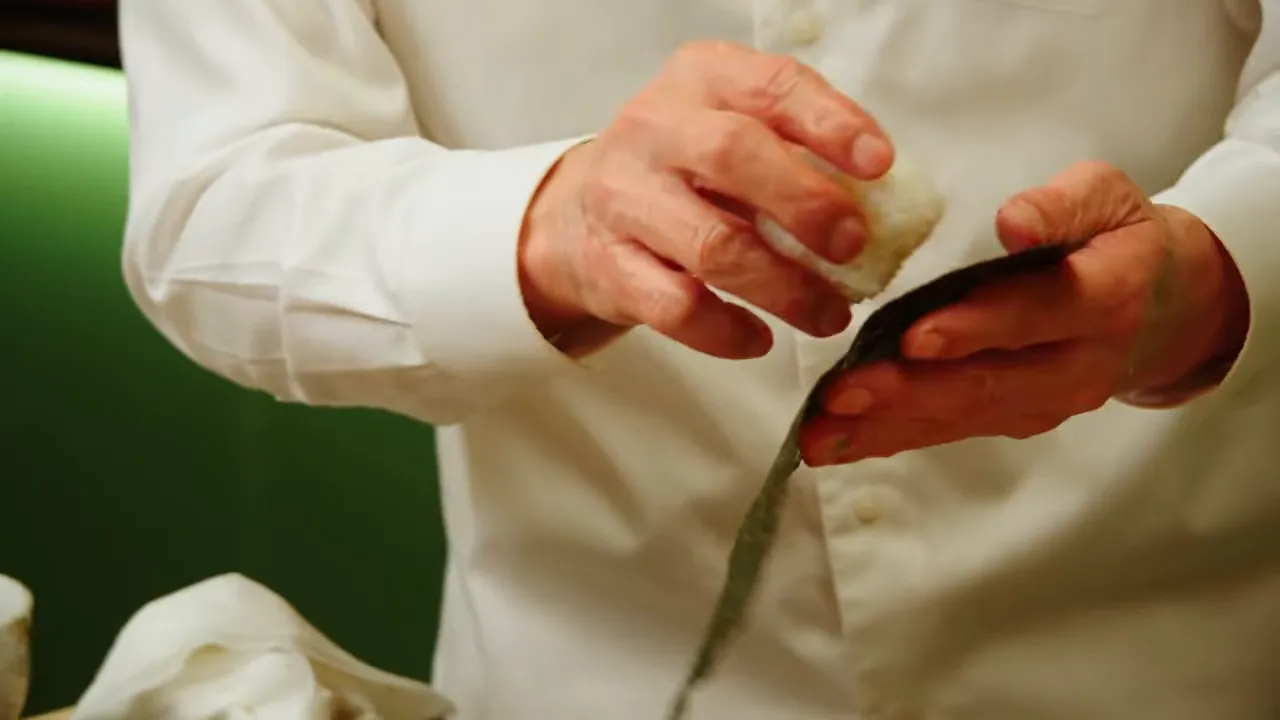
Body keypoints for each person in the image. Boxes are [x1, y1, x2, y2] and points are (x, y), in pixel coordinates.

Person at [118, 1, 1279, 717]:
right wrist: (541, 229)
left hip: (1176, 665)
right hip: (593, 681)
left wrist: (1227, 266)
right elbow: (213, 203)